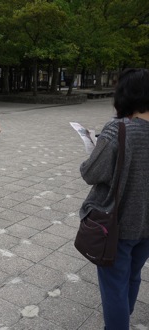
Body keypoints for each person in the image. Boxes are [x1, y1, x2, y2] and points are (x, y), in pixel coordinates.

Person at [79, 68, 149, 330]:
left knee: (114, 288)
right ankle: (124, 316)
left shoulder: (118, 129)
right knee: (132, 276)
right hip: (146, 226)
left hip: (117, 225)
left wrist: (94, 148)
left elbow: (91, 172)